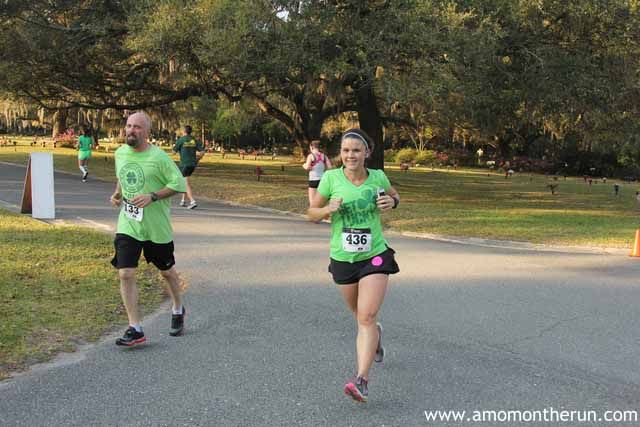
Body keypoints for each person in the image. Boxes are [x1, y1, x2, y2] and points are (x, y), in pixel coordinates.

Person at [307, 128, 400, 403]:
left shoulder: (378, 177)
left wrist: (391, 202)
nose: (350, 155)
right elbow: (311, 213)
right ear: (341, 153)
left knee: (366, 317)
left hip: (375, 254)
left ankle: (362, 380)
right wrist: (327, 210)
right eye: (346, 150)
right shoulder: (330, 178)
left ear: (366, 153)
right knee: (361, 317)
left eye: (356, 150)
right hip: (343, 258)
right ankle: (377, 338)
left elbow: (396, 197)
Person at [109, 112, 187, 347]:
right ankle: (135, 328)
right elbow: (123, 177)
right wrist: (118, 193)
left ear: (147, 132)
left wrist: (153, 196)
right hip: (129, 224)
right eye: (129, 126)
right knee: (125, 273)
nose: (131, 131)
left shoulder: (159, 158)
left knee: (167, 272)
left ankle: (178, 307)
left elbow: (178, 184)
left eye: (137, 127)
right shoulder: (120, 153)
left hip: (156, 227)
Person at [173, 125, 205, 209]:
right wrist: (197, 159)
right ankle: (183, 200)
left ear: (183, 131)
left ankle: (192, 201)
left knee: (185, 183)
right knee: (185, 180)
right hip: (192, 165)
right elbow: (202, 152)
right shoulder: (194, 140)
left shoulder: (181, 140)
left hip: (184, 164)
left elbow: (173, 152)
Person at [302, 140, 333, 206]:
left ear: (311, 147)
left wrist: (304, 165)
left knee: (312, 202)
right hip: (322, 180)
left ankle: (314, 215)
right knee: (321, 203)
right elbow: (330, 167)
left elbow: (307, 167)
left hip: (313, 180)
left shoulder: (311, 156)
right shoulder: (324, 156)